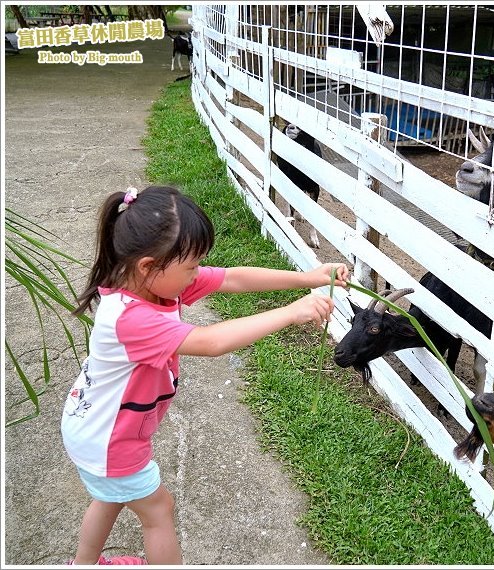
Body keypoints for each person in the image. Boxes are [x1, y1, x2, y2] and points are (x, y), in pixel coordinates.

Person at [61, 186, 349, 565]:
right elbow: (211, 341)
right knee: (158, 510)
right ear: (149, 265)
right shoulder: (131, 318)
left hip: (96, 427)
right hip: (110, 439)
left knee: (111, 495)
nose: (197, 274)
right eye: (192, 267)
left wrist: (308, 278)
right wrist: (290, 313)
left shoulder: (152, 282)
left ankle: (82, 564)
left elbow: (234, 279)